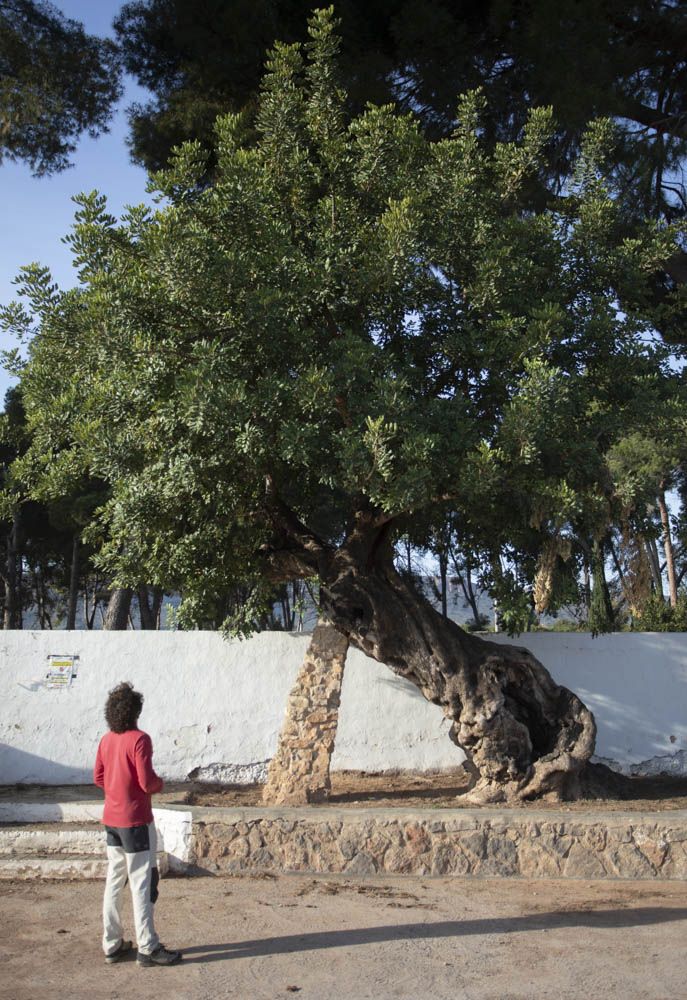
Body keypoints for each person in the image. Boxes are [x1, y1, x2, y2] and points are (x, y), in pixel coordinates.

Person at [94, 681, 182, 967]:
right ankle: (148, 947)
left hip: (112, 821)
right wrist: (161, 784)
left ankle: (112, 943)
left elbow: (98, 777)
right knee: (142, 884)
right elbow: (147, 782)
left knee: (114, 881)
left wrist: (117, 790)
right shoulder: (140, 739)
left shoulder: (106, 740)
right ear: (135, 711)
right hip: (136, 821)